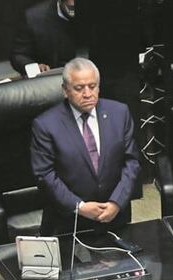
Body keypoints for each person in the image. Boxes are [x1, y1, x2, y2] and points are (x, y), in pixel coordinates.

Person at [31, 57, 141, 236]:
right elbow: (45, 175)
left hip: (115, 216)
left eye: (92, 86)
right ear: (65, 91)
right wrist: (79, 206)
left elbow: (132, 162)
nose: (88, 94)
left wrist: (116, 202)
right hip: (69, 222)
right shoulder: (46, 125)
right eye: (79, 88)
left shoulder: (120, 113)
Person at [11, 0, 81, 76]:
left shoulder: (92, 12)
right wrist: (35, 68)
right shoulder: (34, 17)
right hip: (50, 77)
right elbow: (18, 55)